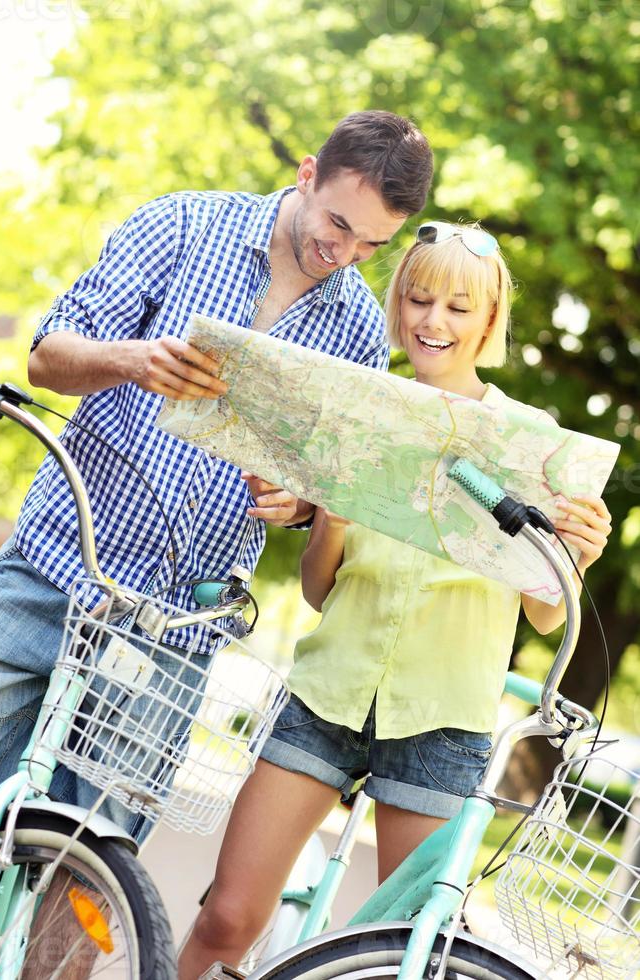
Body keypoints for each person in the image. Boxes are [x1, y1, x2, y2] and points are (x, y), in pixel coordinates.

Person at [178, 220, 612, 978]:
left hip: (441, 724)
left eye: (457, 307)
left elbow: (547, 614)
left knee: (401, 956)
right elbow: (320, 591)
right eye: (417, 300)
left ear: (490, 319)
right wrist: (332, 520)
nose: (432, 322)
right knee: (226, 916)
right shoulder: (359, 410)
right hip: (326, 694)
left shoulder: (532, 441)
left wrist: (576, 549)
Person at [0, 111, 434, 839]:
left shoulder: (357, 329)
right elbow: (45, 358)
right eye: (337, 223)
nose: (344, 252)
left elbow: (320, 497)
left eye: (371, 244)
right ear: (306, 174)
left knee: (89, 873)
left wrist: (296, 506)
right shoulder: (183, 225)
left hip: (176, 634)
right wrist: (134, 360)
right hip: (54, 576)